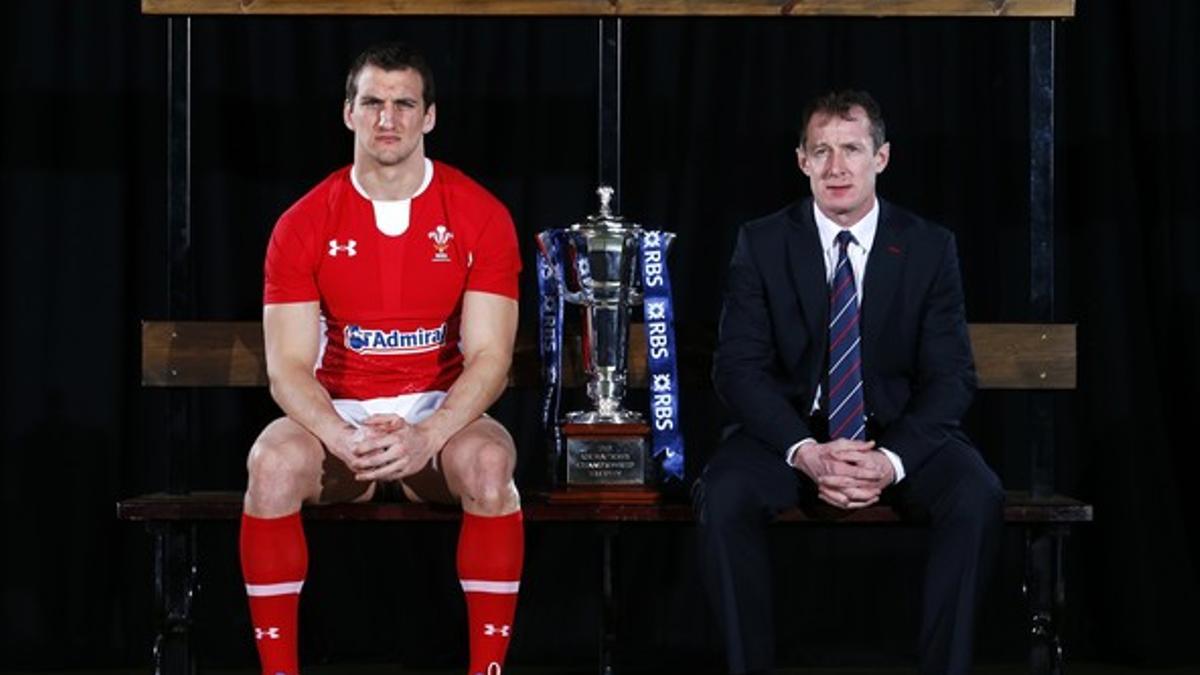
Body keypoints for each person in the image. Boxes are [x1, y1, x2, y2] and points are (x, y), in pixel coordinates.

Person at [694, 90, 1003, 675]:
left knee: (976, 494)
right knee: (724, 494)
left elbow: (951, 378)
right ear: (802, 161)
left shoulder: (928, 247)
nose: (837, 168)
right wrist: (806, 452)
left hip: (897, 431)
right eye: (822, 151)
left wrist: (890, 460)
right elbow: (737, 369)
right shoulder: (761, 242)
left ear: (880, 158)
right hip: (792, 436)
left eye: (852, 150)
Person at [239, 42, 523, 675]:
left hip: (437, 421)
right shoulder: (302, 222)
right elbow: (286, 367)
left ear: (428, 117)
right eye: (372, 102)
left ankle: (489, 670)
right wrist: (339, 432)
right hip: (341, 422)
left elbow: (489, 356)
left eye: (403, 104)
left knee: (490, 464)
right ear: (348, 113)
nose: (386, 118)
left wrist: (431, 432)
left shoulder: (480, 215)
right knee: (272, 465)